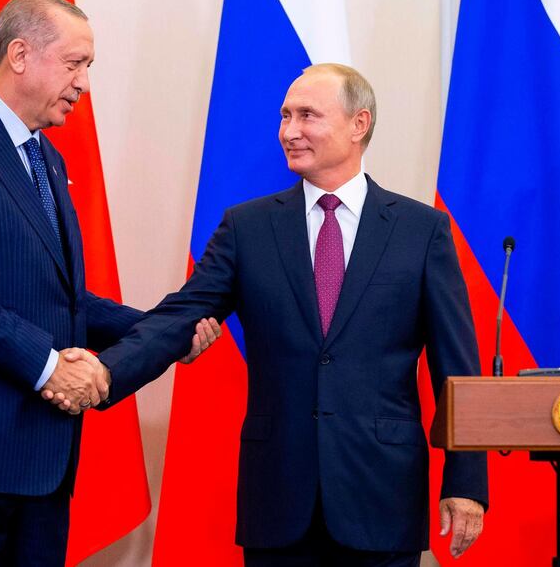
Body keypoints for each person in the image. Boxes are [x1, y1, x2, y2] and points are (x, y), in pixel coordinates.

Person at [47, 63, 488, 566]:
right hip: (278, 499)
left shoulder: (421, 230)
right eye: (284, 116)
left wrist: (466, 480)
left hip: (381, 496)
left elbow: (457, 367)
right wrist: (105, 372)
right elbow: (181, 315)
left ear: (358, 124)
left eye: (307, 116)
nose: (289, 131)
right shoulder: (248, 227)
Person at [0, 0, 218, 566]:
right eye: (75, 62)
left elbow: (63, 298)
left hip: (40, 462)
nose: (84, 81)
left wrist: (164, 333)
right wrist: (49, 365)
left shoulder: (48, 159)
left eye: (89, 66)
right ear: (19, 55)